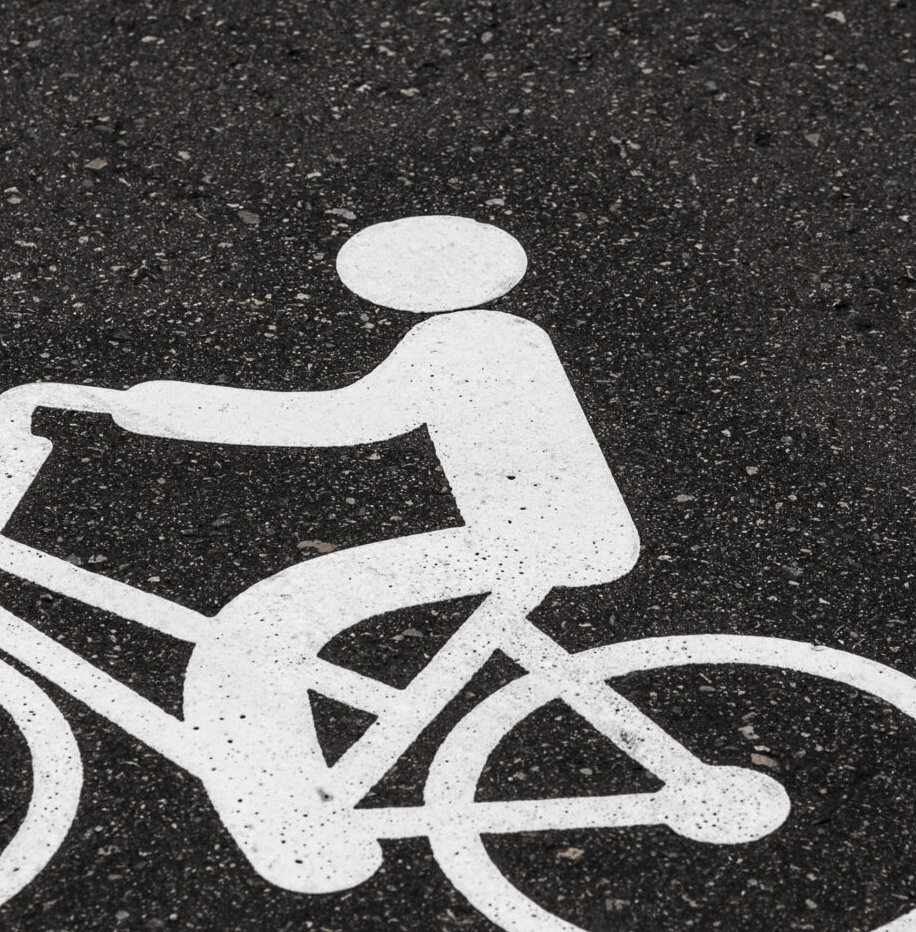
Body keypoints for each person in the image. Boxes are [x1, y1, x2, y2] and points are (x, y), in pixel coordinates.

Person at [90, 215, 640, 892]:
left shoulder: (464, 340)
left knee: (259, 627)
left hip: (531, 540)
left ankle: (302, 838)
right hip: (532, 533)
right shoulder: (495, 332)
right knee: (272, 623)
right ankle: (302, 822)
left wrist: (174, 408)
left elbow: (346, 420)